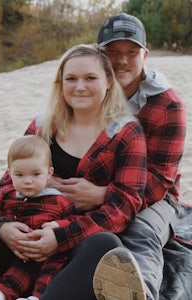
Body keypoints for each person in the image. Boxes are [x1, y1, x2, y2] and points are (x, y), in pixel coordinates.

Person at [37, 13, 186, 300]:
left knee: (139, 234)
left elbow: (159, 179)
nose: (122, 60)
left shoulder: (167, 105)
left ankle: (139, 293)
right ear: (99, 54)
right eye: (112, 52)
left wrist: (105, 195)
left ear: (145, 54)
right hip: (91, 184)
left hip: (153, 196)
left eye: (131, 52)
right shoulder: (88, 89)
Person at [0, 44, 147, 300]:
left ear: (108, 81)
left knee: (106, 246)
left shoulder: (127, 132)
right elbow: (7, 184)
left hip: (77, 238)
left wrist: (61, 237)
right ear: (60, 83)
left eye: (90, 78)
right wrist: (3, 227)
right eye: (71, 79)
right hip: (22, 234)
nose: (80, 87)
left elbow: (125, 204)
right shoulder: (44, 124)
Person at [0, 134, 84, 300]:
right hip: (22, 254)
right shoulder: (7, 195)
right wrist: (2, 222)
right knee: (14, 275)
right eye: (19, 175)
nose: (27, 181)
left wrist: (59, 224)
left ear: (49, 173)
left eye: (35, 174)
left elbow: (77, 221)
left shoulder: (59, 200)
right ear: (9, 173)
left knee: (50, 276)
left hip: (52, 254)